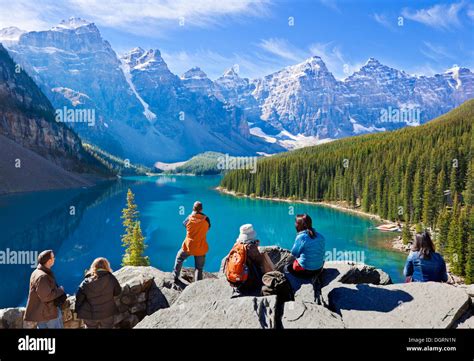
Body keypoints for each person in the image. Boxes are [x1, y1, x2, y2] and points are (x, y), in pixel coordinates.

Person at [224, 224, 274, 298]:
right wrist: (256, 248)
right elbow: (259, 261)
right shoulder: (251, 247)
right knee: (264, 256)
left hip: (236, 280)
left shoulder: (237, 245)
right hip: (248, 282)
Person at [24, 250, 66, 329]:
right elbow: (46, 296)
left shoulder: (36, 272)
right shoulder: (42, 276)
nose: (54, 259)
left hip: (41, 312)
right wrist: (60, 290)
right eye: (53, 257)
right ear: (49, 260)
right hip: (48, 313)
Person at [75, 257, 122, 328]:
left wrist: (77, 310)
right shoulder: (111, 278)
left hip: (90, 315)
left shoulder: (86, 282)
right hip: (107, 313)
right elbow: (118, 292)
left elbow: (79, 298)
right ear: (106, 266)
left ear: (93, 267)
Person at [173, 201, 211, 283]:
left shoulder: (189, 218)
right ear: (201, 209)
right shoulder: (206, 219)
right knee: (199, 268)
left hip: (188, 246)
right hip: (200, 247)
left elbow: (184, 224)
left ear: (193, 209)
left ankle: (175, 276)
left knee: (179, 258)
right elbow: (208, 227)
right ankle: (198, 285)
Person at [286, 214, 326, 288]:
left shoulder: (301, 237)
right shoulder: (320, 236)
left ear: (300, 225)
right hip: (319, 268)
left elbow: (294, 253)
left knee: (287, 267)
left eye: (296, 222)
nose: (294, 224)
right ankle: (316, 275)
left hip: (307, 272)